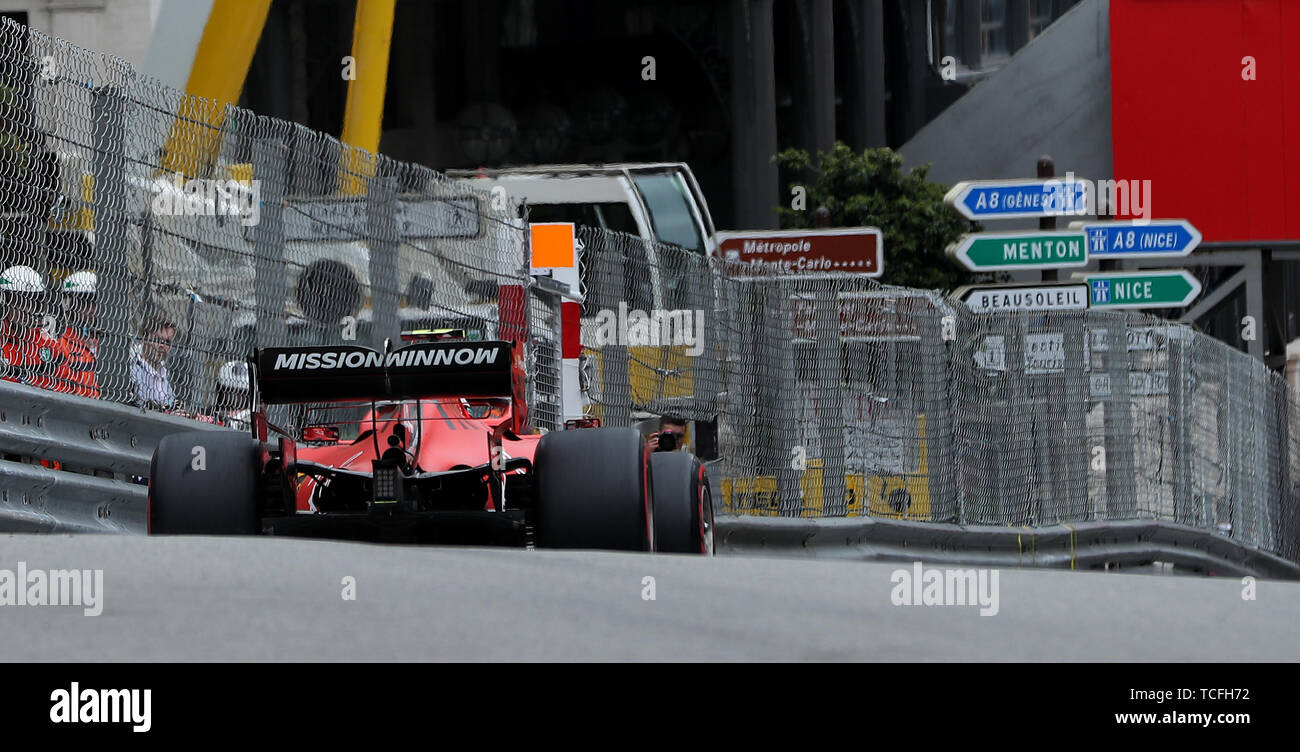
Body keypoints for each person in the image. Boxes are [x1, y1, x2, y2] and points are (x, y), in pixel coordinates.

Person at [0, 264, 60, 390]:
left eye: (33, 302)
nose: (28, 309)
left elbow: (65, 384)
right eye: (21, 302)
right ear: (5, 302)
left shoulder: (46, 342)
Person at [53, 270, 99, 398]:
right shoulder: (61, 342)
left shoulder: (101, 342)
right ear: (69, 303)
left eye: (95, 302)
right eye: (85, 302)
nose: (91, 309)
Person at [131, 313, 177, 410]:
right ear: (143, 339)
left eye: (167, 342)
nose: (162, 346)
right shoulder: (134, 370)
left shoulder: (165, 376)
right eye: (157, 340)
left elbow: (170, 404)